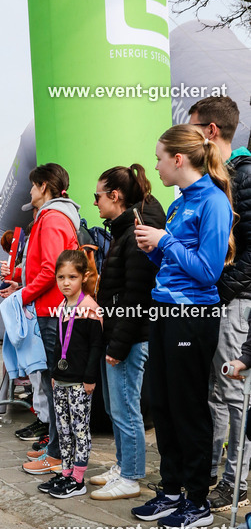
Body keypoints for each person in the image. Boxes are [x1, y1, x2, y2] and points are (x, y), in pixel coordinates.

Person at [133, 124, 235, 529]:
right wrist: (153, 250)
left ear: (179, 159)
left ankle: (198, 500)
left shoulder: (212, 201)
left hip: (193, 316)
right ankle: (172, 490)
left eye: (160, 158)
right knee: (163, 404)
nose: (155, 165)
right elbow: (174, 264)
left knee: (188, 407)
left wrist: (164, 242)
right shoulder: (178, 205)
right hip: (164, 311)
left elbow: (209, 271)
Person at [188, 96, 251, 512]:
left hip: (236, 302)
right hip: (218, 299)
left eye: (194, 129)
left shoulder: (244, 177)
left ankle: (236, 481)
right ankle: (211, 471)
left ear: (211, 131)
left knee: (233, 391)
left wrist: (220, 288)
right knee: (213, 393)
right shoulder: (218, 180)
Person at [89, 164, 166, 500]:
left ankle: (132, 477)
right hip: (119, 335)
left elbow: (137, 296)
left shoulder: (136, 232)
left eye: (98, 196)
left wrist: (119, 344)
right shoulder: (124, 230)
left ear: (115, 196)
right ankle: (123, 466)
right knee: (115, 407)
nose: (95, 203)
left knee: (125, 408)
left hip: (130, 338)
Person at [0, 164, 83, 476]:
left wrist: (22, 296)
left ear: (45, 186)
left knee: (57, 385)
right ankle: (56, 450)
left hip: (50, 312)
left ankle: (58, 454)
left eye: (33, 186)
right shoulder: (53, 217)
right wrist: (20, 278)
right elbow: (43, 266)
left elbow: (51, 270)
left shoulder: (50, 219)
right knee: (56, 384)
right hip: (52, 309)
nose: (29, 191)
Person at [37, 250, 103, 498]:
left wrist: (90, 378)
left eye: (72, 277)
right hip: (61, 380)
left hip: (79, 383)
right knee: (63, 428)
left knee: (79, 429)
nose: (66, 283)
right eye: (61, 277)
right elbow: (57, 345)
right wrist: (54, 372)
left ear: (84, 277)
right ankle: (65, 472)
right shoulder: (62, 306)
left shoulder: (90, 308)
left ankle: (78, 478)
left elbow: (96, 347)